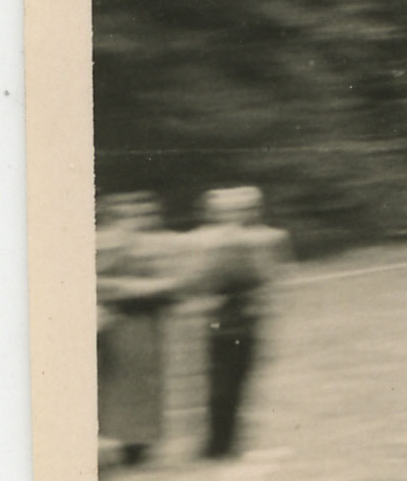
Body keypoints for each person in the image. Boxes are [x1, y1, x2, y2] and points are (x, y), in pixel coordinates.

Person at [187, 186, 289, 459]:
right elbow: (195, 278)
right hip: (216, 318)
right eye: (229, 210)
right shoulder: (203, 240)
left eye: (243, 208)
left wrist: (268, 307)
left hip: (246, 317)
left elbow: (272, 277)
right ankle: (216, 444)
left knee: (240, 378)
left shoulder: (265, 238)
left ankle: (228, 441)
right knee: (218, 382)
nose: (238, 214)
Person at [95, 191, 179, 466]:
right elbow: (96, 281)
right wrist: (141, 288)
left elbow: (172, 281)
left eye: (146, 214)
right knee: (118, 381)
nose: (141, 220)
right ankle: (119, 442)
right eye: (132, 215)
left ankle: (139, 445)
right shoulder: (104, 244)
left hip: (146, 320)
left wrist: (161, 288)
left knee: (144, 382)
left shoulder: (151, 246)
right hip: (116, 320)